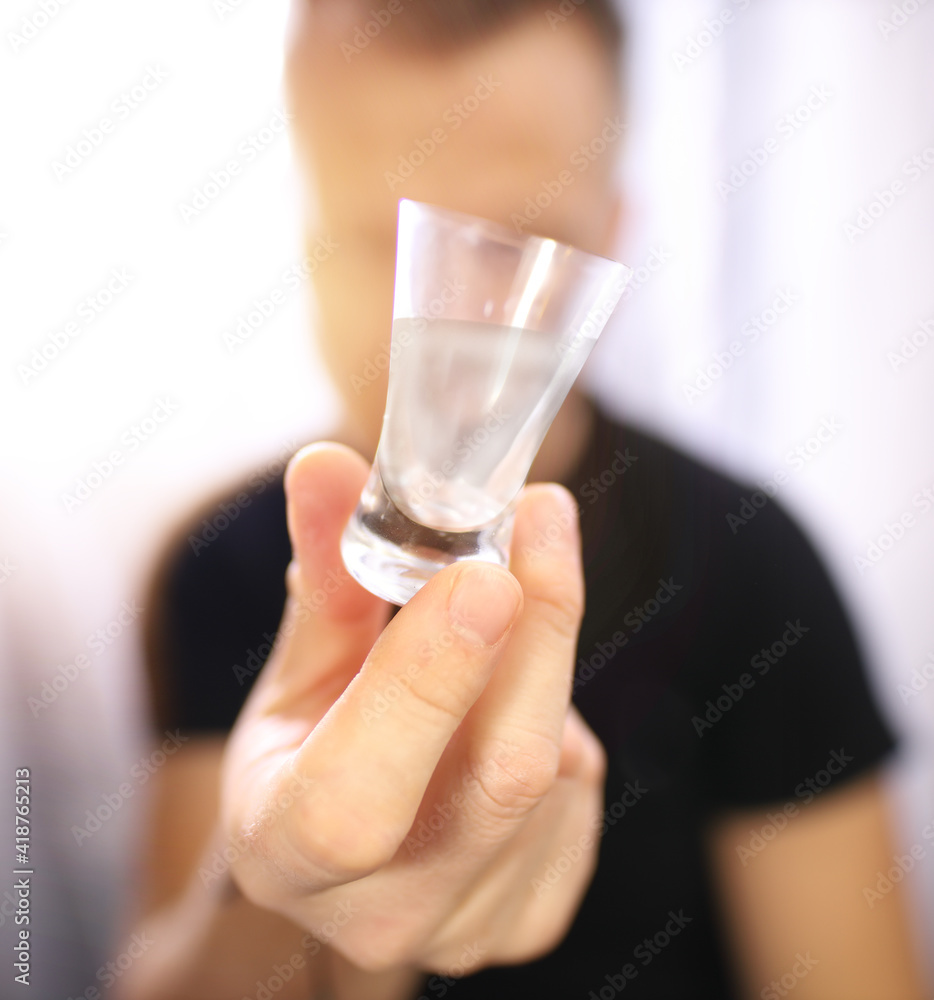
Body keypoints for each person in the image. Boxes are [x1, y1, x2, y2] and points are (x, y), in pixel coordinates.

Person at [119, 1, 929, 997]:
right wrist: (266, 878)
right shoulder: (223, 564)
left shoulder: (753, 565)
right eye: (384, 237)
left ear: (610, 244)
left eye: (513, 245)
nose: (444, 320)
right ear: (305, 230)